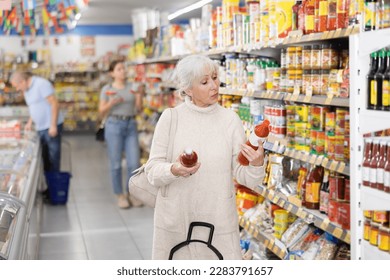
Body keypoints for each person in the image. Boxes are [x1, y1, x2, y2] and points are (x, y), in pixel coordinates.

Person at [144, 54, 266, 260]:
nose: (214, 85)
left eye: (215, 78)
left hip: (218, 220)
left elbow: (246, 178)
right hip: (176, 219)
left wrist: (256, 163)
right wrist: (174, 169)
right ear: (187, 89)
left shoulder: (230, 120)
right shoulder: (171, 118)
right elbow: (152, 172)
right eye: (204, 81)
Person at [99, 60, 144, 209]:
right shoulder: (107, 89)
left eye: (123, 69)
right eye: (119, 69)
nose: (123, 71)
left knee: (134, 163)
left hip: (131, 124)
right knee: (116, 164)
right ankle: (120, 195)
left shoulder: (133, 87)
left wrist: (139, 95)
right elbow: (101, 112)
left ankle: (131, 193)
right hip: (113, 125)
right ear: (112, 73)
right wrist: (111, 103)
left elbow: (138, 109)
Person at [10, 71, 64, 173]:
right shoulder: (26, 90)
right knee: (45, 159)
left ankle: (54, 185)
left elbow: (54, 104)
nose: (17, 89)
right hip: (40, 127)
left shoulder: (41, 84)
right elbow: (34, 106)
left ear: (22, 81)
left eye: (17, 86)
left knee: (53, 159)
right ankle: (48, 185)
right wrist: (30, 122)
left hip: (50, 127)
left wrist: (53, 125)